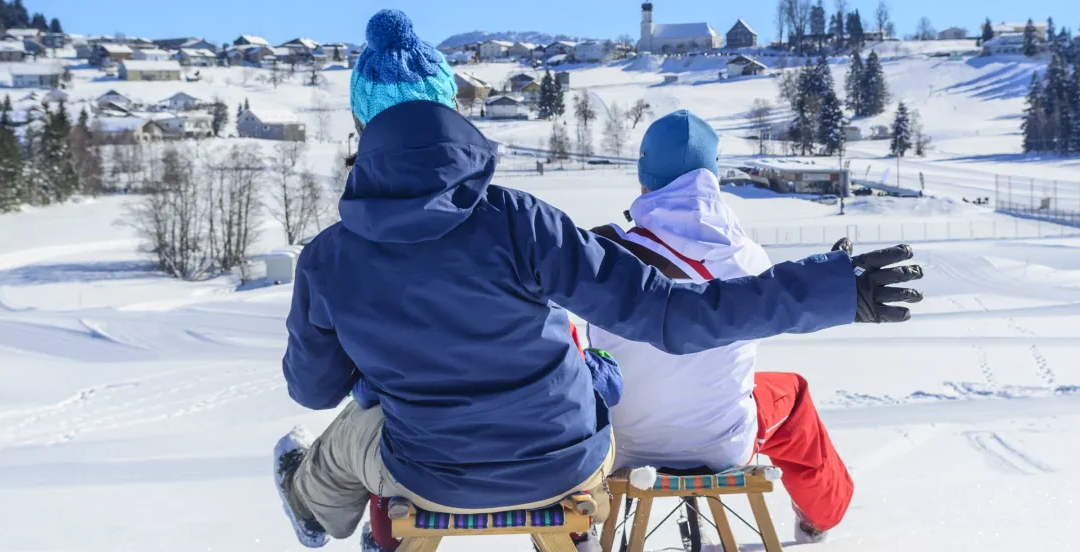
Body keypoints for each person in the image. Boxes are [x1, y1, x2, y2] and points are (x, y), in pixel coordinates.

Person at [273, 9, 925, 552]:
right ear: (450, 113)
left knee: (347, 436)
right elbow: (670, 315)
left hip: (432, 474)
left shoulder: (330, 259)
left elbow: (312, 386)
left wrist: (376, 367)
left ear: (361, 126)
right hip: (566, 466)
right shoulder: (524, 223)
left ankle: (318, 509)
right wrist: (833, 286)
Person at [586, 111, 859, 544]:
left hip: (623, 446)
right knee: (792, 394)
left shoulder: (606, 255)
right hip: (722, 446)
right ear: (713, 176)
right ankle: (819, 517)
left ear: (644, 177)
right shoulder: (747, 255)